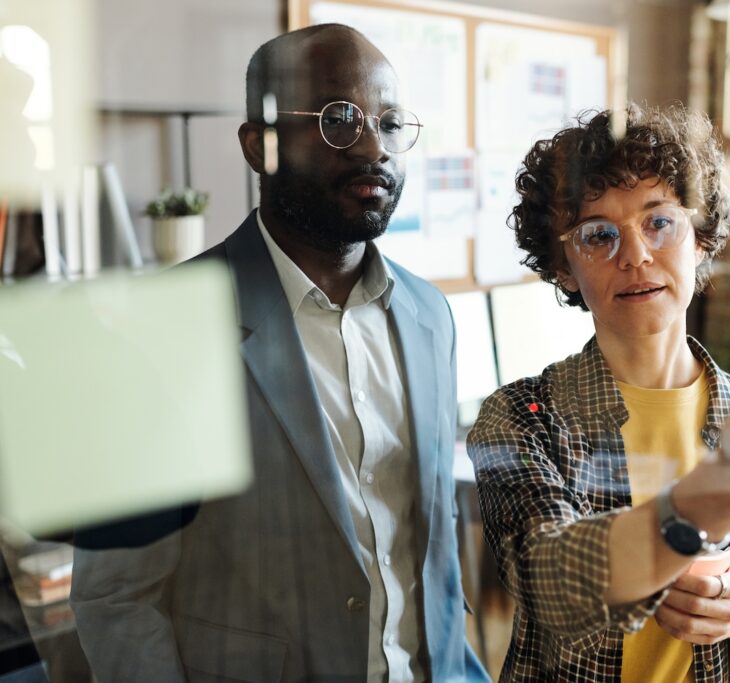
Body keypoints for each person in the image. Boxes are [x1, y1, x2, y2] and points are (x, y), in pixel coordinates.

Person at [70, 24, 488, 683]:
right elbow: (117, 595)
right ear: (259, 144)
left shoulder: (429, 315)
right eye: (339, 119)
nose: (374, 146)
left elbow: (430, 558)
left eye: (389, 121)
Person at [466, 104, 730, 682]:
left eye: (659, 222)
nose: (636, 255)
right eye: (598, 235)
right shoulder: (521, 418)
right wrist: (713, 497)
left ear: (698, 238)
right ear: (565, 266)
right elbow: (552, 582)